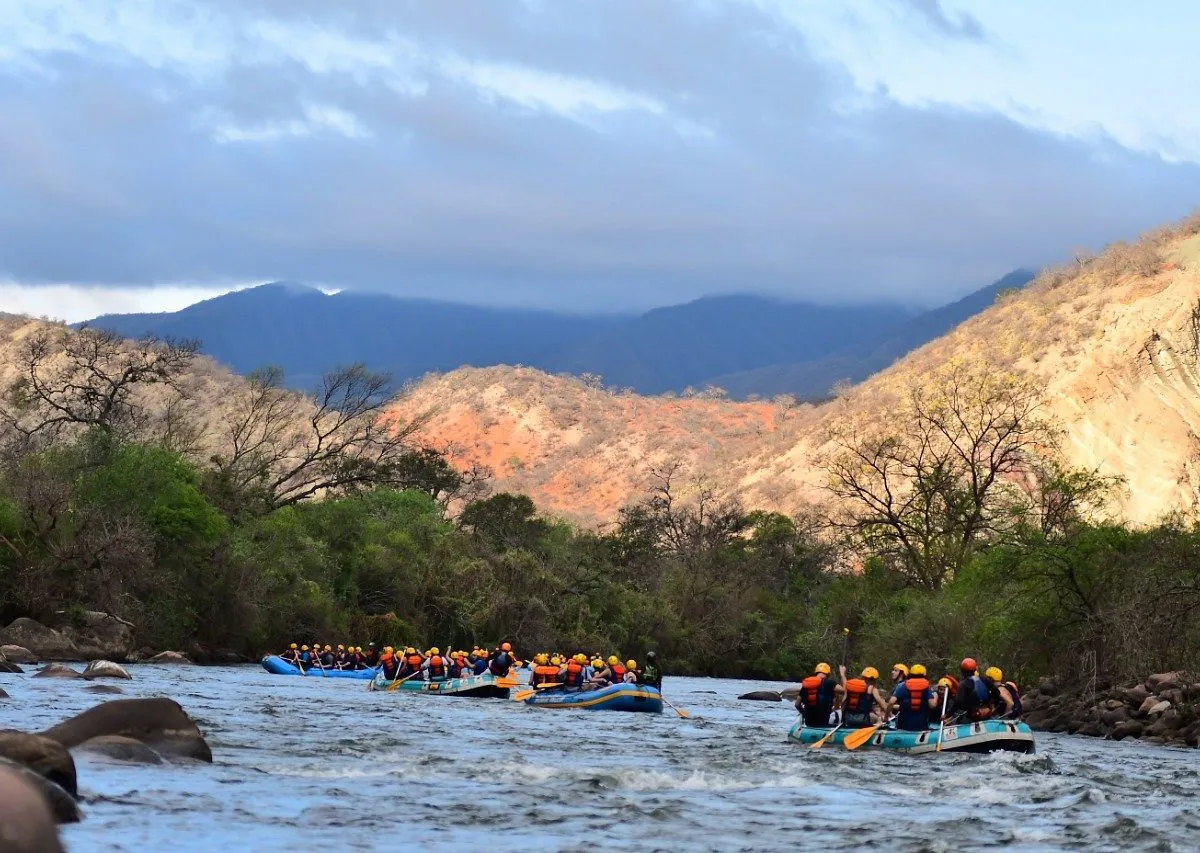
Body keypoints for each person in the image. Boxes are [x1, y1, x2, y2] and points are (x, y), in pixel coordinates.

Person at [795, 662, 844, 728]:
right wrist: (842, 675)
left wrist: (803, 713)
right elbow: (844, 691)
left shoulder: (807, 684)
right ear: (828, 674)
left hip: (809, 721)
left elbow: (797, 704)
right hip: (823, 720)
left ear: (816, 672)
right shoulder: (830, 683)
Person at [890, 663, 936, 731]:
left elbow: (891, 702)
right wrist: (935, 694)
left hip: (903, 724)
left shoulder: (902, 686)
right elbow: (932, 705)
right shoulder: (926, 687)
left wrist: (886, 716)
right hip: (921, 724)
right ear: (924, 675)